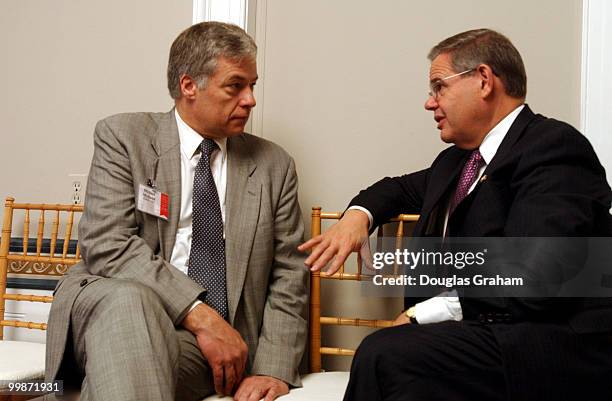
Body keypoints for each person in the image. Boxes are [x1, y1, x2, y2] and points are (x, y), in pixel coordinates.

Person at [299, 28, 612, 401]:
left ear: (483, 80)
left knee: (384, 353)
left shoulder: (554, 148)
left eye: (438, 87)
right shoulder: (457, 162)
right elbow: (396, 190)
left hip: (548, 343)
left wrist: (421, 314)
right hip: (481, 335)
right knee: (397, 361)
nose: (429, 103)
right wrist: (358, 217)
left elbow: (535, 277)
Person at [42, 22, 307, 401]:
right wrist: (201, 315)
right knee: (130, 302)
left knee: (119, 373)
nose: (250, 99)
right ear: (188, 86)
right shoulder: (123, 137)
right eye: (236, 85)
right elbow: (107, 243)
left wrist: (272, 367)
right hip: (108, 306)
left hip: (200, 351)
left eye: (253, 85)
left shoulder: (273, 166)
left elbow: (289, 273)